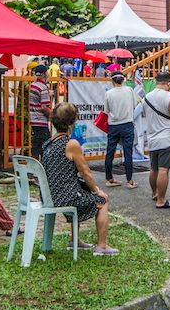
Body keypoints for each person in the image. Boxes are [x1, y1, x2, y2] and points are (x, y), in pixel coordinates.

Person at [41, 103, 118, 256]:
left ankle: (74, 240)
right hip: (65, 197)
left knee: (79, 191)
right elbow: (85, 172)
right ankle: (101, 246)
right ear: (72, 122)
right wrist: (97, 191)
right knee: (102, 201)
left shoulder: (47, 144)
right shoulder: (71, 144)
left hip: (49, 195)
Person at [144, 71, 170, 208]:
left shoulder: (147, 97)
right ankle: (161, 200)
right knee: (163, 170)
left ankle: (155, 193)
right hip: (166, 138)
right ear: (169, 83)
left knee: (153, 168)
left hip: (152, 137)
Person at [103, 68, 140, 188]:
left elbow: (106, 111)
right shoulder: (129, 90)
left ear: (112, 81)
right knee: (128, 152)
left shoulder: (109, 93)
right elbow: (135, 105)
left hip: (113, 125)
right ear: (123, 80)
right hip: (127, 124)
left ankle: (109, 178)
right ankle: (129, 180)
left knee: (110, 152)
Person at [29, 65, 52, 160]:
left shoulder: (33, 85)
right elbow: (44, 107)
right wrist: (52, 115)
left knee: (36, 144)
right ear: (43, 74)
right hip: (41, 121)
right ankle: (42, 167)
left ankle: (35, 166)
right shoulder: (43, 88)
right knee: (44, 146)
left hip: (34, 119)